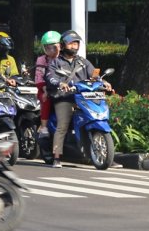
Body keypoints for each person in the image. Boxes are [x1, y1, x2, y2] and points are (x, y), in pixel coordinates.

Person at [45, 30, 111, 168]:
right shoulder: (55, 63)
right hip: (65, 98)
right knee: (62, 125)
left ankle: (109, 155)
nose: (74, 46)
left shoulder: (83, 62)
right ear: (63, 45)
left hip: (84, 97)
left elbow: (94, 75)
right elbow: (50, 77)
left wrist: (103, 82)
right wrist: (60, 83)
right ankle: (57, 157)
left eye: (76, 44)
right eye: (71, 44)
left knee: (99, 117)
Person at [35, 31, 60, 135]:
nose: (51, 50)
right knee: (46, 99)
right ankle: (44, 127)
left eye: (53, 47)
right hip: (45, 88)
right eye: (47, 47)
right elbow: (39, 77)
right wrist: (45, 90)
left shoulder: (63, 59)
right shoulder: (41, 59)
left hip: (62, 87)